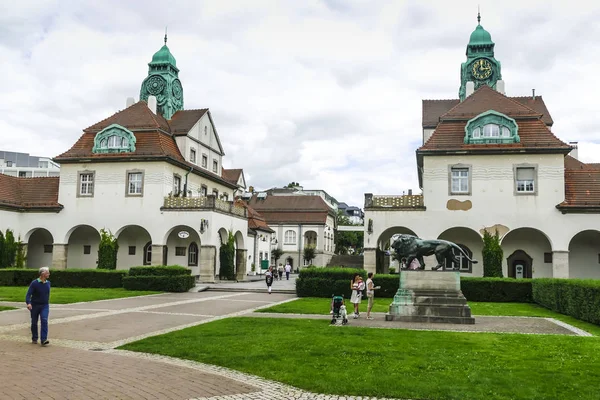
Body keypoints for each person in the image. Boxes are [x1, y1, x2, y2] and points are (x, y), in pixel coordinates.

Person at [26, 267, 51, 346]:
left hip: (45, 305)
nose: (49, 274)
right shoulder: (34, 283)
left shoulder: (48, 283)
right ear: (43, 274)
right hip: (35, 305)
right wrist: (28, 303)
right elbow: (28, 294)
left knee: (44, 320)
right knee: (34, 322)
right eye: (47, 273)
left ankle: (43, 339)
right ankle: (34, 338)